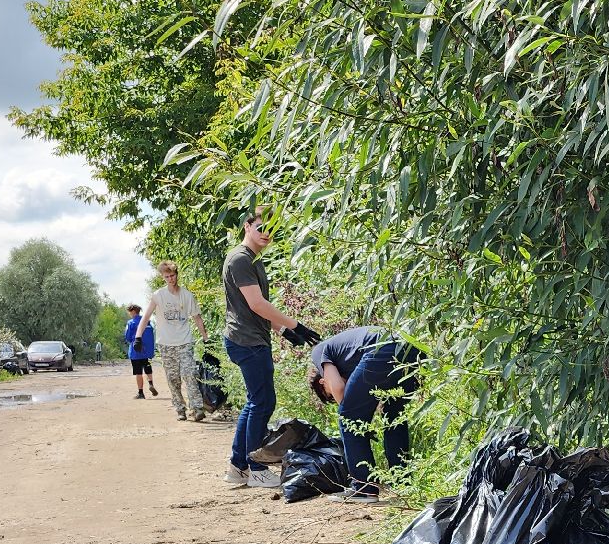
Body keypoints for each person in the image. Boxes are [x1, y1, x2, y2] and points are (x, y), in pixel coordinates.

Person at [221, 209, 308, 489]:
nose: (266, 233)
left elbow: (255, 308)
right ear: (247, 226)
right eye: (260, 227)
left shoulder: (253, 260)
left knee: (255, 402)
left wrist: (283, 329)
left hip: (252, 337)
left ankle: (239, 466)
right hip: (246, 341)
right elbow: (257, 304)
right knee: (262, 402)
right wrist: (296, 324)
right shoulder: (240, 260)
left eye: (271, 229)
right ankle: (256, 467)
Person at [307, 326, 422, 502]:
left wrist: (352, 414)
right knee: (394, 419)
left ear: (323, 382)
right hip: (411, 350)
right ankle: (403, 484)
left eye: (327, 395)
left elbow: (337, 387)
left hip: (381, 349)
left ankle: (363, 488)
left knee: (348, 418)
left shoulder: (318, 352)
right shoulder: (347, 357)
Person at [136, 260, 208, 421]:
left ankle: (197, 408)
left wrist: (205, 338)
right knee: (173, 378)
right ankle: (180, 408)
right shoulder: (158, 296)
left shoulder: (187, 295)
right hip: (166, 343)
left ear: (177, 275)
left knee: (189, 373)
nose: (170, 279)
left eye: (172, 275)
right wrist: (138, 337)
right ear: (163, 277)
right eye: (167, 276)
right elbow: (146, 317)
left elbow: (197, 317)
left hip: (184, 341)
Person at [123, 303, 157, 399]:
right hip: (147, 352)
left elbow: (128, 337)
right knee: (147, 369)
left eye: (130, 312)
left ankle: (141, 393)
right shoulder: (147, 321)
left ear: (133, 311)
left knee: (138, 373)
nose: (129, 314)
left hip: (136, 352)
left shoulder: (131, 323)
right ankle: (150, 384)